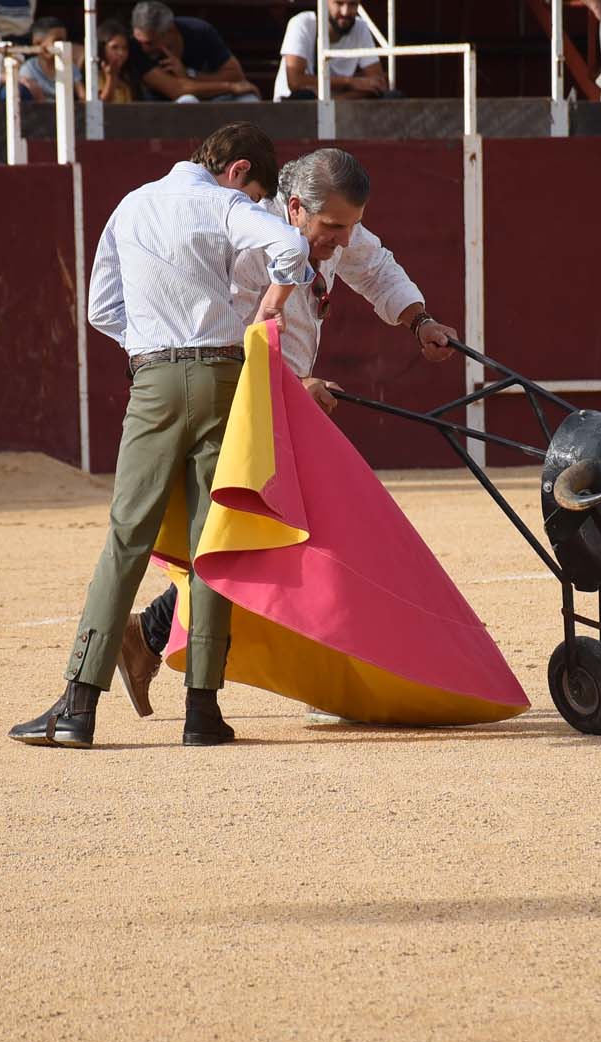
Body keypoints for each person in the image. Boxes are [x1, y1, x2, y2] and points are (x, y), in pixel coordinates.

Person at [112, 147, 460, 719]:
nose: (342, 241)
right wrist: (294, 382)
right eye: (333, 228)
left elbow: (375, 266)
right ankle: (161, 640)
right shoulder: (250, 239)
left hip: (284, 404)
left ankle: (149, 636)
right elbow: (225, 333)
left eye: (350, 226)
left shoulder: (331, 231)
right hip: (239, 403)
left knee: (281, 538)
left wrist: (418, 320)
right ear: (295, 207)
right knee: (267, 537)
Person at [9, 122, 312, 750]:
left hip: (153, 381)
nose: (253, 202)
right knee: (212, 540)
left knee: (128, 537)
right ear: (238, 170)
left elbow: (101, 309)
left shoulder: (132, 205)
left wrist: (150, 345)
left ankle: (78, 707)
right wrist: (271, 304)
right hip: (223, 378)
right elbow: (291, 247)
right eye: (255, 192)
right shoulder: (225, 204)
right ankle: (202, 711)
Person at [127, 0, 257, 103]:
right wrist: (230, 87)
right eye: (139, 41)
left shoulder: (198, 31)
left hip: (213, 98)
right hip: (163, 109)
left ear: (169, 31)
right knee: (188, 100)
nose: (143, 48)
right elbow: (178, 90)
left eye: (150, 43)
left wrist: (191, 75)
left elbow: (236, 75)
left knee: (249, 100)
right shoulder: (135, 47)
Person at [273, 0, 387, 102]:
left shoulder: (360, 27)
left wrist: (334, 102)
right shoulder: (301, 23)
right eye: (339, 3)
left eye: (352, 4)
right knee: (303, 96)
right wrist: (350, 82)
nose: (345, 12)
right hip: (295, 107)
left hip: (341, 107)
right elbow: (295, 82)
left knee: (389, 95)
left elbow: (378, 83)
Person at [17, 15, 82, 102]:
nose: (63, 45)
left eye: (64, 41)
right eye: (57, 41)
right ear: (38, 43)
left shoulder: (70, 67)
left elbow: (82, 95)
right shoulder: (28, 69)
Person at [93, 17, 139, 102]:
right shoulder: (94, 75)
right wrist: (111, 78)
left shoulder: (127, 76)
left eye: (124, 48)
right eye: (114, 47)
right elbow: (100, 106)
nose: (121, 53)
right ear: (102, 48)